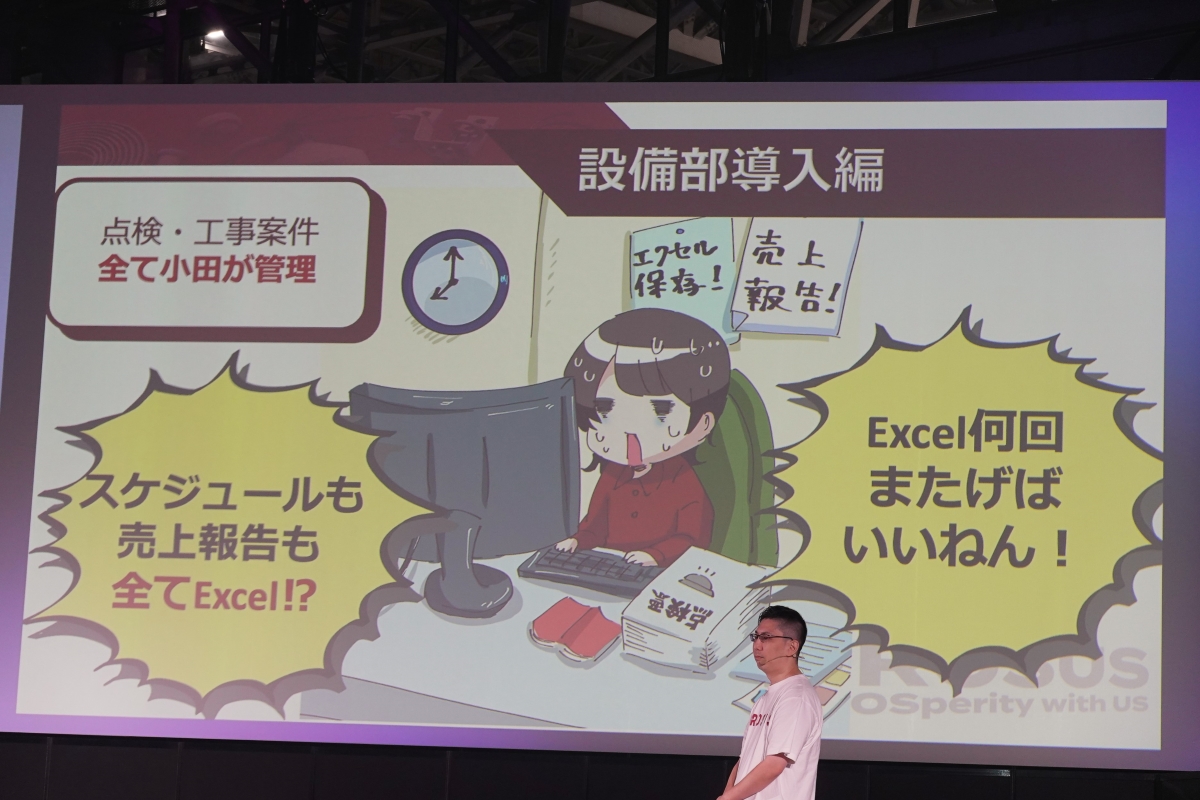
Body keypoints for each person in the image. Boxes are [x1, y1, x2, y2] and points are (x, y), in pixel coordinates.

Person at [557, 308, 731, 567]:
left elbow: (692, 538)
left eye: (660, 411)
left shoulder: (684, 481)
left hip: (660, 573)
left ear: (703, 424)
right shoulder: (613, 474)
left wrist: (655, 555)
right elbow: (595, 525)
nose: (629, 427)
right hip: (610, 567)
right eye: (604, 408)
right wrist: (577, 540)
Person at [719, 606, 822, 800]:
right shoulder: (765, 698)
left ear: (792, 647)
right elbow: (745, 759)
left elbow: (775, 764)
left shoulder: (796, 697)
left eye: (766, 637)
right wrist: (727, 795)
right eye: (755, 637)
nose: (757, 645)